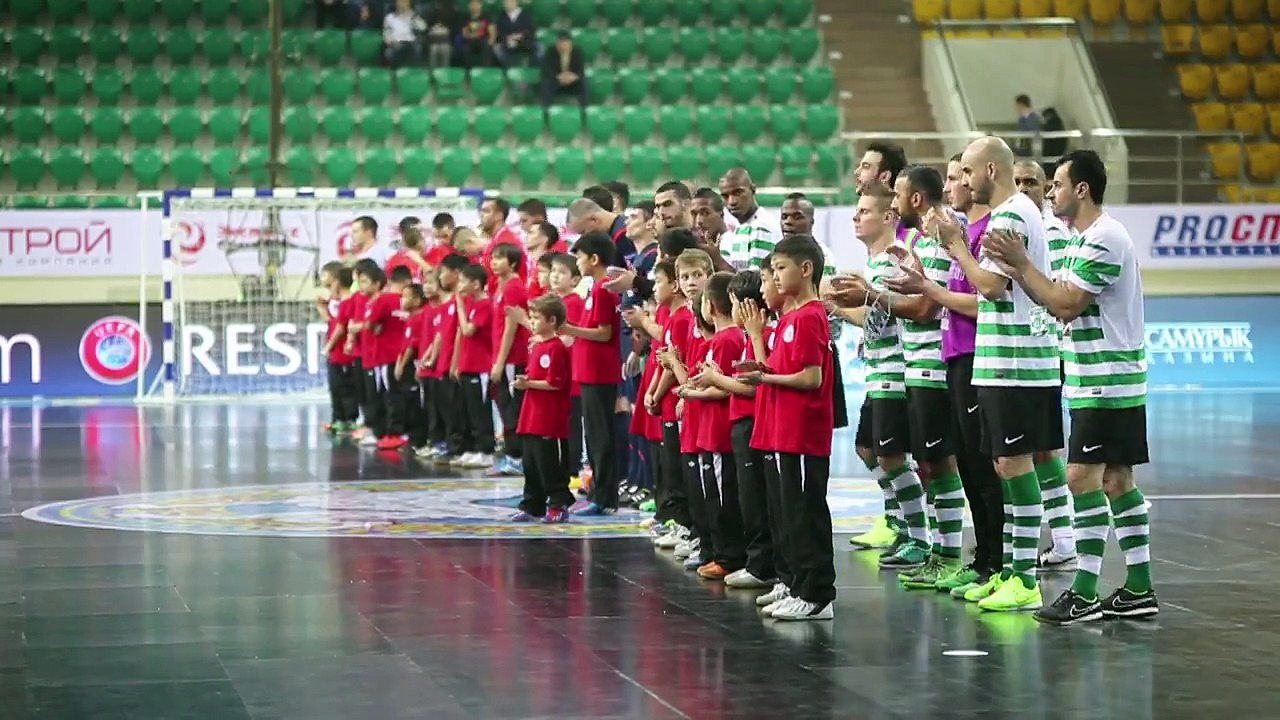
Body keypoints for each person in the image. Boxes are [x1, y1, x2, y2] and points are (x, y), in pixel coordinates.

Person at [984, 149, 1157, 625]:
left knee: (1081, 477)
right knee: (1116, 479)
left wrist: (1021, 265)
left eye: (1056, 185)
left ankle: (1083, 590)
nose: (1050, 194)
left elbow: (1065, 303)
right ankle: (1139, 587)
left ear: (1081, 189)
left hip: (1106, 381)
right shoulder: (1087, 239)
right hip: (1098, 378)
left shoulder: (1103, 239)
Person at [941, 136, 1059, 613]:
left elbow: (990, 285)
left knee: (1014, 464)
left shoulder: (1011, 215)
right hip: (1003, 360)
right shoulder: (1016, 212)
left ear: (990, 169)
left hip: (1018, 362)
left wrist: (955, 249)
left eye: (967, 172)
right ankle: (1012, 569)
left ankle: (1025, 578)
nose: (964, 182)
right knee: (1003, 465)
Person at [886, 153, 1001, 599]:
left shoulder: (951, 234)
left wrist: (879, 296)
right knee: (963, 465)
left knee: (975, 464)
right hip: (948, 360)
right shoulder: (938, 236)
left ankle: (990, 560)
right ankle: (979, 558)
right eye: (954, 178)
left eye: (961, 176)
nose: (957, 187)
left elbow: (934, 305)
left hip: (958, 361)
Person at [744, 235, 836, 621]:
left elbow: (810, 378)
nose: (776, 277)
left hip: (802, 433)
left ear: (806, 268)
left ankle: (816, 593)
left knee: (804, 513)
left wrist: (766, 378)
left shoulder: (810, 316)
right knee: (788, 512)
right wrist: (765, 372)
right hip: (784, 432)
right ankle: (798, 583)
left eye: (781, 268)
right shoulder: (789, 320)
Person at [1013, 158, 1079, 573]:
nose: (1024, 188)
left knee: (1044, 449)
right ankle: (1063, 538)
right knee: (1040, 449)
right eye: (1017, 180)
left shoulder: (1050, 232)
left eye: (1033, 182)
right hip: (1031, 350)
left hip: (1043, 349)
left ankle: (1066, 538)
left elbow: (1052, 291)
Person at [683, 272, 749, 581]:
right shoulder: (721, 339)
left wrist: (692, 391)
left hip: (720, 430)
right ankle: (717, 551)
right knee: (713, 494)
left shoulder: (728, 339)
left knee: (723, 497)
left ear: (710, 306)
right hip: (710, 431)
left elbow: (725, 386)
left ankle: (729, 555)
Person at [658, 249, 715, 569]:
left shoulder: (711, 323)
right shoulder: (689, 317)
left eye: (697, 275)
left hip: (703, 406)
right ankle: (699, 536)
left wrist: (684, 386)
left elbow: (698, 368)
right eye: (685, 277)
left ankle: (712, 544)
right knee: (689, 475)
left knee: (708, 482)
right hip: (691, 403)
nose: (692, 282)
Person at [561, 233, 622, 515]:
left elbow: (604, 332)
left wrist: (570, 329)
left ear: (594, 259)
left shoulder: (602, 288)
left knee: (600, 436)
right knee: (595, 435)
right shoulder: (595, 288)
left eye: (580, 257)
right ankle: (599, 489)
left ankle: (604, 496)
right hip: (590, 372)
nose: (577, 262)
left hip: (600, 373)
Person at [512, 294, 575, 524]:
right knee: (530, 463)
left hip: (549, 418)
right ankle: (532, 504)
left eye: (536, 318)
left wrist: (527, 383)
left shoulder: (556, 348)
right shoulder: (537, 346)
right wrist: (527, 380)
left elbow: (555, 382)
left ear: (551, 320)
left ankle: (558, 503)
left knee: (550, 465)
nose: (532, 321)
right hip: (531, 415)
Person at [353, 261, 410, 450]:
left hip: (386, 356)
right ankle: (385, 431)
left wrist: (357, 327)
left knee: (388, 394)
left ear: (378, 284)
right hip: (383, 355)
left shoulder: (383, 301)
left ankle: (391, 432)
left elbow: (371, 325)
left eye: (364, 281)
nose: (361, 286)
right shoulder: (385, 301)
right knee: (385, 393)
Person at [489, 242, 532, 477]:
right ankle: (512, 455)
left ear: (513, 262)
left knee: (513, 407)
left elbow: (511, 327)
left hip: (513, 357)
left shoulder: (514, 287)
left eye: (500, 258)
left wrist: (500, 361)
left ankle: (517, 457)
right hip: (502, 356)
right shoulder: (500, 285)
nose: (493, 262)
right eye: (493, 258)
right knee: (505, 405)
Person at [424, 254, 470, 463]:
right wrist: (431, 357)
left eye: (443, 272)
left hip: (457, 364)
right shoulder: (447, 305)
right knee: (446, 409)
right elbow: (440, 335)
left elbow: (461, 332)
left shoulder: (461, 302)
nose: (441, 276)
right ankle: (449, 446)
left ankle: (458, 447)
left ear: (456, 273)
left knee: (458, 410)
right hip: (442, 364)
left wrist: (455, 362)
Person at [451, 264, 496, 469]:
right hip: (468, 364)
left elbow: (468, 330)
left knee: (480, 410)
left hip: (481, 365)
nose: (459, 286)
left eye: (462, 281)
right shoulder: (471, 304)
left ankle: (486, 450)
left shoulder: (484, 304)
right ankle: (473, 448)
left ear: (476, 284)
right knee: (467, 410)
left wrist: (460, 307)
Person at [320, 262, 360, 433]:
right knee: (337, 386)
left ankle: (348, 420)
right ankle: (339, 419)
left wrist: (328, 347)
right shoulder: (340, 302)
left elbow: (340, 327)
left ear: (336, 281)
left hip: (343, 354)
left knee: (344, 387)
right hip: (338, 354)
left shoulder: (348, 302)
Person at [719, 168, 783, 272]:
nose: (732, 201)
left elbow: (756, 281)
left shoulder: (762, 226)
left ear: (753, 190)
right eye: (725, 196)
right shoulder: (741, 227)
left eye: (738, 192)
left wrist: (718, 260)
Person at [480, 197, 527, 293]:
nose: (481, 215)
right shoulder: (496, 239)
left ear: (499, 216)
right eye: (481, 211)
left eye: (486, 211)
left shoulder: (507, 240)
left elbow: (506, 278)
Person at [540, 31, 586, 114]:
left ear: (571, 44)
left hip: (572, 83)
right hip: (556, 83)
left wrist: (573, 77)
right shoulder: (550, 52)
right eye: (561, 44)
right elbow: (546, 70)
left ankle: (584, 112)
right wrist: (559, 77)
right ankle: (546, 112)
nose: (564, 47)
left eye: (567, 45)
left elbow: (581, 71)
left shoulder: (577, 52)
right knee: (546, 83)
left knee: (584, 83)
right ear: (557, 44)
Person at [491, 0, 535, 68]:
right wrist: (507, 39)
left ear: (516, 2)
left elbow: (531, 31)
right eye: (506, 2)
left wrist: (519, 38)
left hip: (524, 42)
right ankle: (511, 69)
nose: (508, 3)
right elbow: (499, 34)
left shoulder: (525, 15)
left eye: (510, 1)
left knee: (540, 48)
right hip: (507, 43)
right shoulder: (501, 16)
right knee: (497, 48)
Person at [383, 0, 425, 67]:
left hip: (411, 44)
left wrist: (412, 16)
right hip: (396, 45)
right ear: (396, 3)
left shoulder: (414, 16)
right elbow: (386, 33)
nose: (402, 4)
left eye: (404, 1)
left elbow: (423, 28)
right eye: (399, 1)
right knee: (391, 52)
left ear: (409, 3)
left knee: (415, 48)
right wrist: (389, 41)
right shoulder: (389, 18)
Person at [460, 0, 492, 68]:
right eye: (472, 4)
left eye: (476, 4)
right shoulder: (465, 17)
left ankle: (485, 72)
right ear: (469, 6)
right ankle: (468, 73)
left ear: (481, 5)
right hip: (470, 40)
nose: (474, 6)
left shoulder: (486, 16)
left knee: (486, 45)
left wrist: (490, 42)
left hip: (483, 40)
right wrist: (470, 35)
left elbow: (492, 32)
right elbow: (464, 34)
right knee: (465, 48)